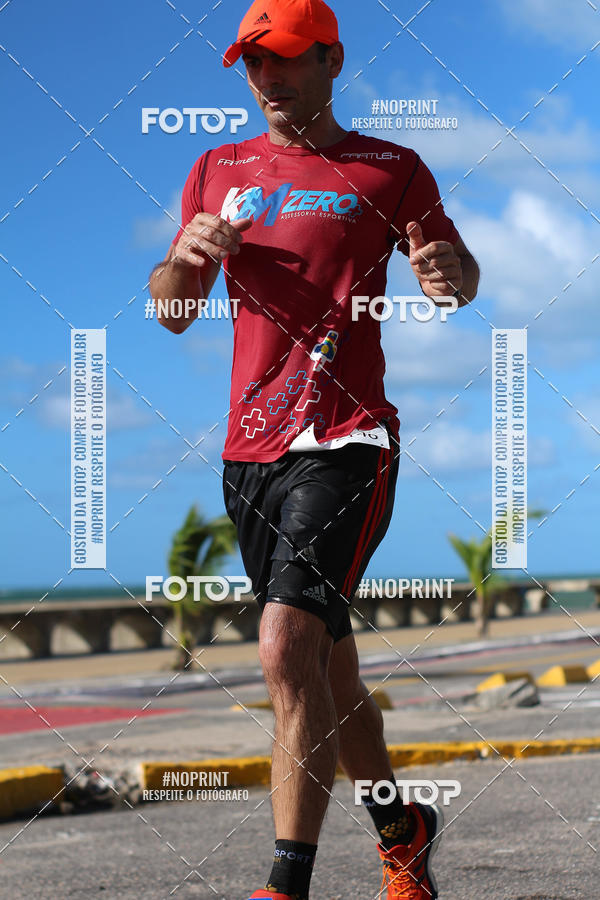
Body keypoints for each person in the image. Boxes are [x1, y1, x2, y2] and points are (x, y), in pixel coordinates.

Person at [149, 0, 480, 896]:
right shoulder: (218, 168)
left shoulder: (390, 168)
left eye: (288, 61)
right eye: (254, 65)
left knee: (285, 644)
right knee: (327, 666)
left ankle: (283, 882)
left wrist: (450, 272)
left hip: (347, 439)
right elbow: (171, 310)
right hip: (249, 448)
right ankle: (401, 827)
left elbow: (455, 277)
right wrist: (183, 258)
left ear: (332, 60)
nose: (269, 80)